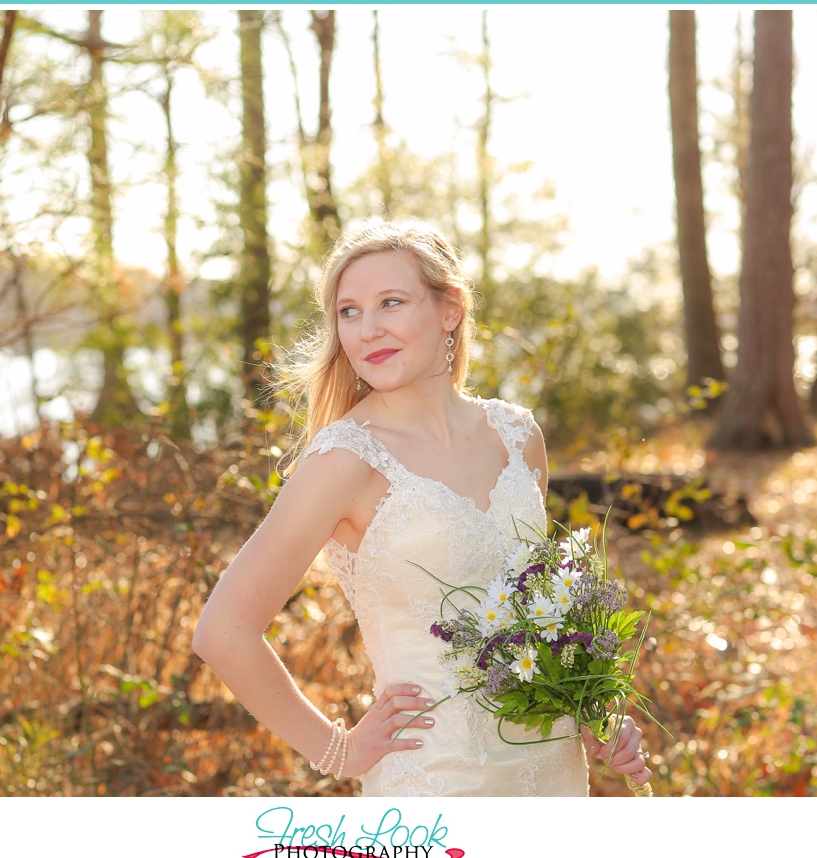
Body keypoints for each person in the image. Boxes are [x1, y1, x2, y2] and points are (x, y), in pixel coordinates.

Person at [192, 220, 651, 796]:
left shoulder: (515, 435)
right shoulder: (344, 460)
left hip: (552, 771)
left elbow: (537, 614)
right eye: (348, 311)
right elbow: (224, 632)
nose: (367, 330)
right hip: (435, 783)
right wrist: (339, 749)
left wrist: (593, 710)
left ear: (450, 310)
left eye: (391, 302)